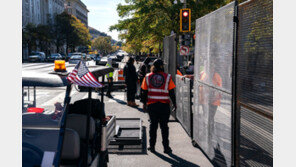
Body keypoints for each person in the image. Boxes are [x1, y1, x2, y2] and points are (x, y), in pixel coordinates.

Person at [141, 59, 177, 154]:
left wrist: (144, 103)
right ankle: (166, 148)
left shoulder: (148, 77)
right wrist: (174, 103)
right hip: (164, 106)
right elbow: (171, 92)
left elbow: (144, 92)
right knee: (164, 127)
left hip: (152, 106)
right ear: (161, 66)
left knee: (153, 126)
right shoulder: (167, 77)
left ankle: (151, 146)